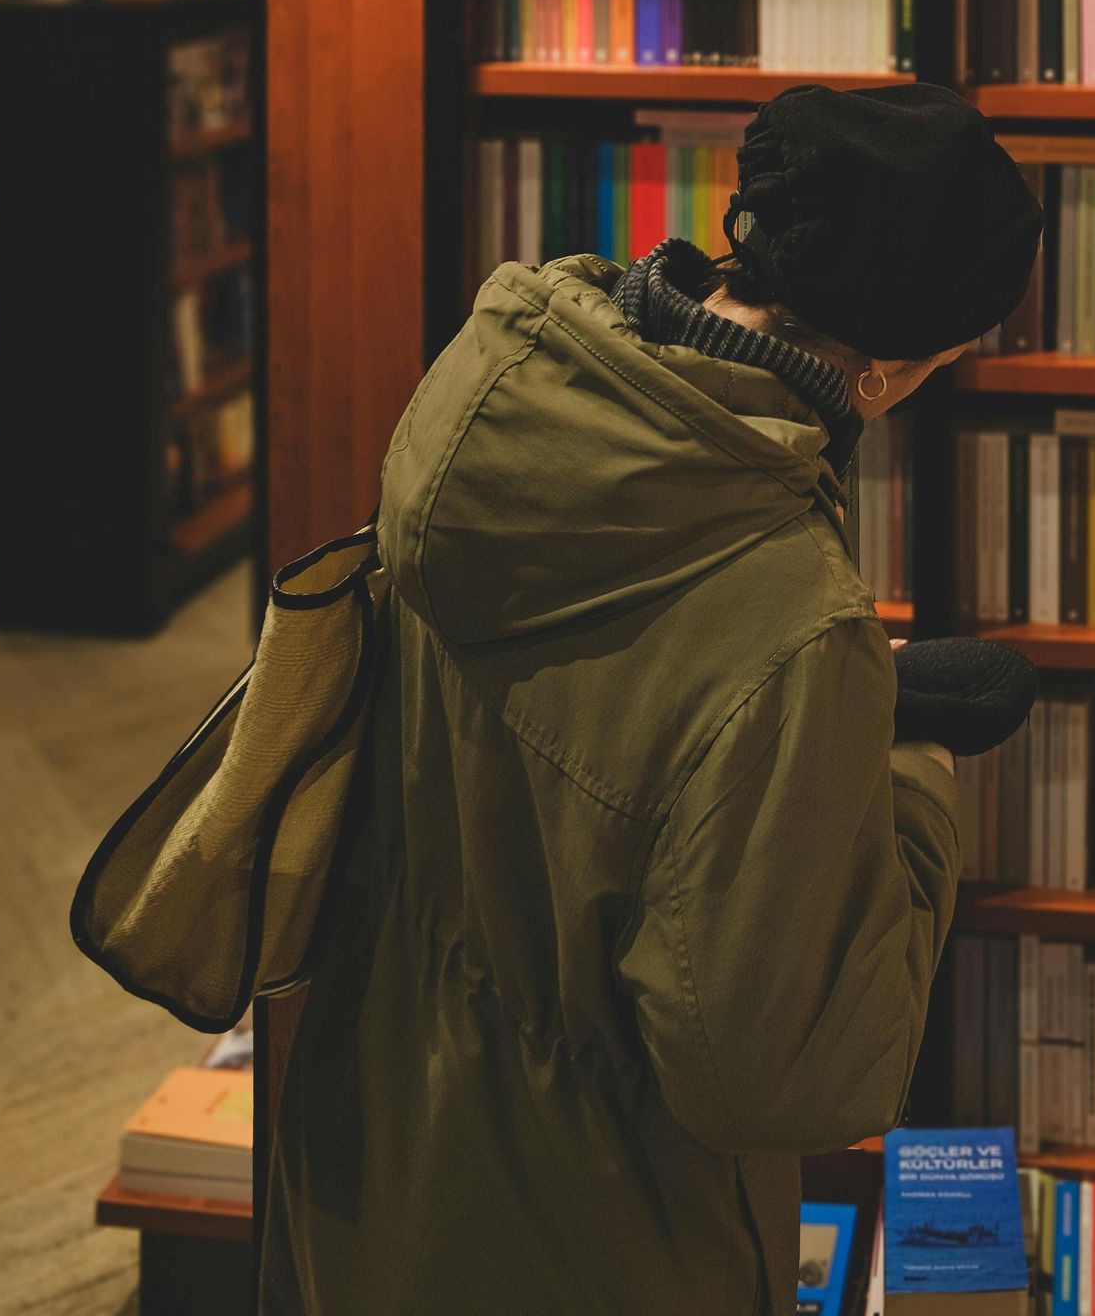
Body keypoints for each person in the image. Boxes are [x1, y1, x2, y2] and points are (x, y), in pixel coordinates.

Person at [262, 81, 1043, 1316]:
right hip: (596, 1234)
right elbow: (783, 1080)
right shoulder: (791, 628)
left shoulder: (494, 382)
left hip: (372, 1138)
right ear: (891, 370)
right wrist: (906, 775)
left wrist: (839, 718)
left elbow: (596, 729)